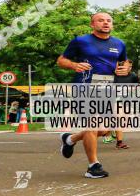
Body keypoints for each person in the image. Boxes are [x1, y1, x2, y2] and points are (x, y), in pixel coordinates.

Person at [56, 12, 132, 179]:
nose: (105, 23)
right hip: (84, 87)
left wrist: (126, 68)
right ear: (92, 24)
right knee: (93, 123)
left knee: (104, 130)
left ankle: (70, 139)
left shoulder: (119, 43)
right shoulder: (80, 41)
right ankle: (93, 166)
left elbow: (125, 61)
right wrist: (74, 65)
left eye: (108, 21)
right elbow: (61, 60)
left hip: (107, 89)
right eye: (101, 20)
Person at [105, 59, 140, 149]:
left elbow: (137, 85)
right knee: (119, 119)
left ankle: (113, 129)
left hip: (127, 101)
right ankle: (119, 143)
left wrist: (132, 89)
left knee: (124, 120)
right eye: (127, 66)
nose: (129, 68)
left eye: (131, 66)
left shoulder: (133, 76)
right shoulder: (114, 75)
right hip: (116, 100)